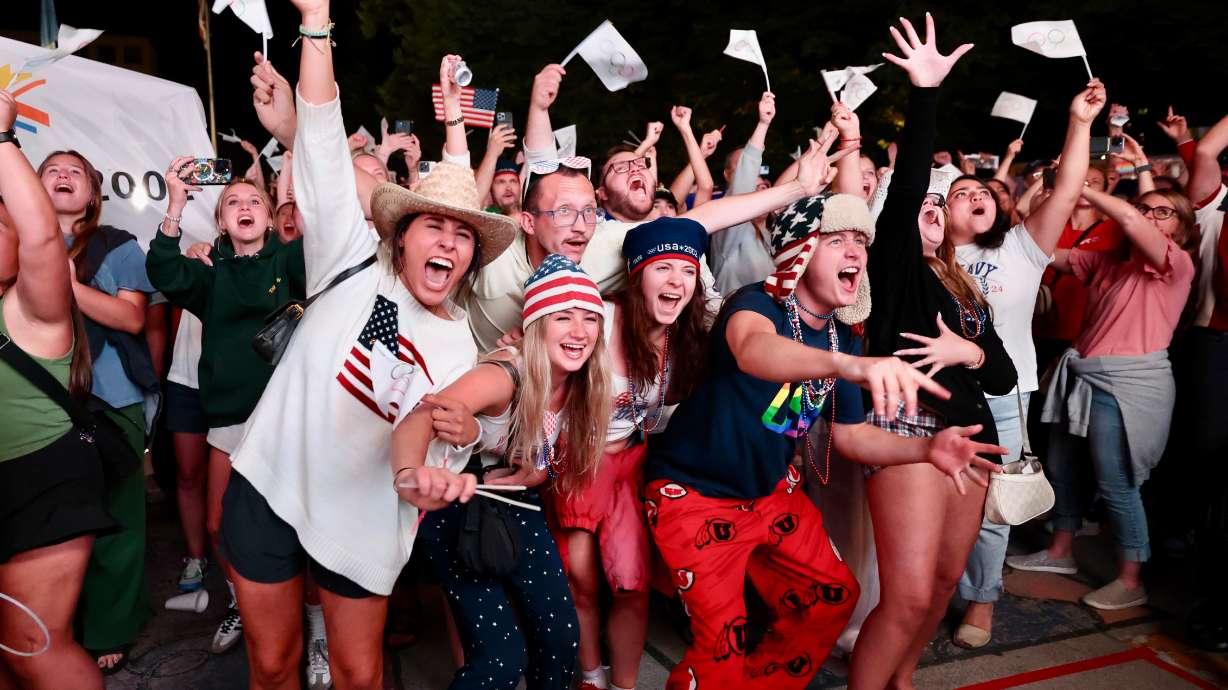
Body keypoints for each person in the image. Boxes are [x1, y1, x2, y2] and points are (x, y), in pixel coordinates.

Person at [221, 11, 517, 687]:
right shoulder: (349, 257)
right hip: (269, 482)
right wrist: (319, 22)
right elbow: (322, 131)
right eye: (432, 226)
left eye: (462, 236)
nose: (446, 241)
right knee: (272, 665)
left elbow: (432, 448)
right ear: (400, 236)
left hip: (358, 517)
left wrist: (448, 453)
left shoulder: (456, 350)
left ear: (470, 260)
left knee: (359, 675)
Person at [643, 139, 1004, 690]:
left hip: (771, 493)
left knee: (832, 596)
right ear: (800, 252)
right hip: (694, 494)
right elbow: (754, 352)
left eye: (860, 240)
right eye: (836, 240)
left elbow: (854, 437)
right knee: (721, 641)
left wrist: (926, 450)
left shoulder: (843, 336)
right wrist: (845, 368)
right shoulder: (757, 302)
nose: (855, 252)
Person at [838, 17, 1016, 687]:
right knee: (908, 594)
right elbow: (912, 184)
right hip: (910, 428)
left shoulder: (959, 281)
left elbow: (1000, 374)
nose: (932, 209)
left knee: (944, 581)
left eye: (942, 207)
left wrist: (968, 352)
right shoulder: (895, 271)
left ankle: (902, 677)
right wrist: (925, 93)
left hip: (975, 435)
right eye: (921, 206)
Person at [398, 254, 611, 690]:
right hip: (454, 505)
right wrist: (409, 472)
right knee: (499, 660)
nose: (579, 331)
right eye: (563, 317)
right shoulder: (506, 373)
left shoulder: (582, 380)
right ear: (537, 324)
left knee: (560, 639)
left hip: (516, 501)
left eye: (590, 317)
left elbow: (547, 452)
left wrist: (538, 470)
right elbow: (423, 416)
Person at [949, 77, 1107, 648]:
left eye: (984, 192)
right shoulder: (926, 256)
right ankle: (932, 591)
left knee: (993, 505)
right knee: (941, 501)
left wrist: (1081, 123)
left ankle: (982, 602)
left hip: (1003, 396)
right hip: (937, 394)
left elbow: (1065, 191)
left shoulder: (1021, 247)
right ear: (940, 212)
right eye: (961, 192)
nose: (977, 196)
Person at [146, 162, 307, 655]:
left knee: (302, 526)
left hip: (287, 420)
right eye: (232, 203)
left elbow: (321, 239)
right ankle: (245, 603)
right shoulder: (210, 273)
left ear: (269, 216)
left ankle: (316, 624)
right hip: (231, 422)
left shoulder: (289, 262)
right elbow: (165, 272)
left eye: (254, 201)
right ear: (219, 222)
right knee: (220, 524)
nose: (244, 207)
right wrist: (175, 204)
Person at [1014, 186, 1197, 611]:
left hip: (1129, 385)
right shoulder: (1108, 264)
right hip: (1084, 377)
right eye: (1144, 208)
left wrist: (1080, 186)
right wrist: (1045, 204)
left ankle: (1132, 578)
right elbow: (1040, 250)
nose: (1149, 217)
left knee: (1117, 485)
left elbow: (1131, 222)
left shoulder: (1176, 265)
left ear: (1181, 230)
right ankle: (1060, 551)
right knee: (1061, 467)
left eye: (1164, 212)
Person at [551, 218, 712, 690]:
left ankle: (623, 685)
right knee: (579, 580)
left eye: (686, 271)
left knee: (631, 581)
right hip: (577, 463)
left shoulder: (686, 337)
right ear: (637, 273)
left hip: (630, 464)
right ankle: (590, 677)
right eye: (663, 268)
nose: (676, 282)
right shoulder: (599, 317)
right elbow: (544, 360)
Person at [0, 88, 113, 690]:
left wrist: (1, 137)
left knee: (34, 647)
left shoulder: (33, 308)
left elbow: (44, 237)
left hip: (41, 480)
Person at [40, 145, 158, 673]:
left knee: (116, 519)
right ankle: (60, 624)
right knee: (51, 525)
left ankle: (111, 626)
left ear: (90, 197)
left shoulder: (118, 246)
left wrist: (67, 285)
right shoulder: (16, 243)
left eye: (75, 173)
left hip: (110, 403)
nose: (63, 176)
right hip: (38, 405)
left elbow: (131, 320)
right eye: (51, 171)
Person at [709, 91, 779, 295]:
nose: (749, 176)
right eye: (742, 169)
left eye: (754, 173)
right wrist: (763, 124)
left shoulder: (770, 230)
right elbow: (742, 186)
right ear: (727, 174)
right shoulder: (724, 222)